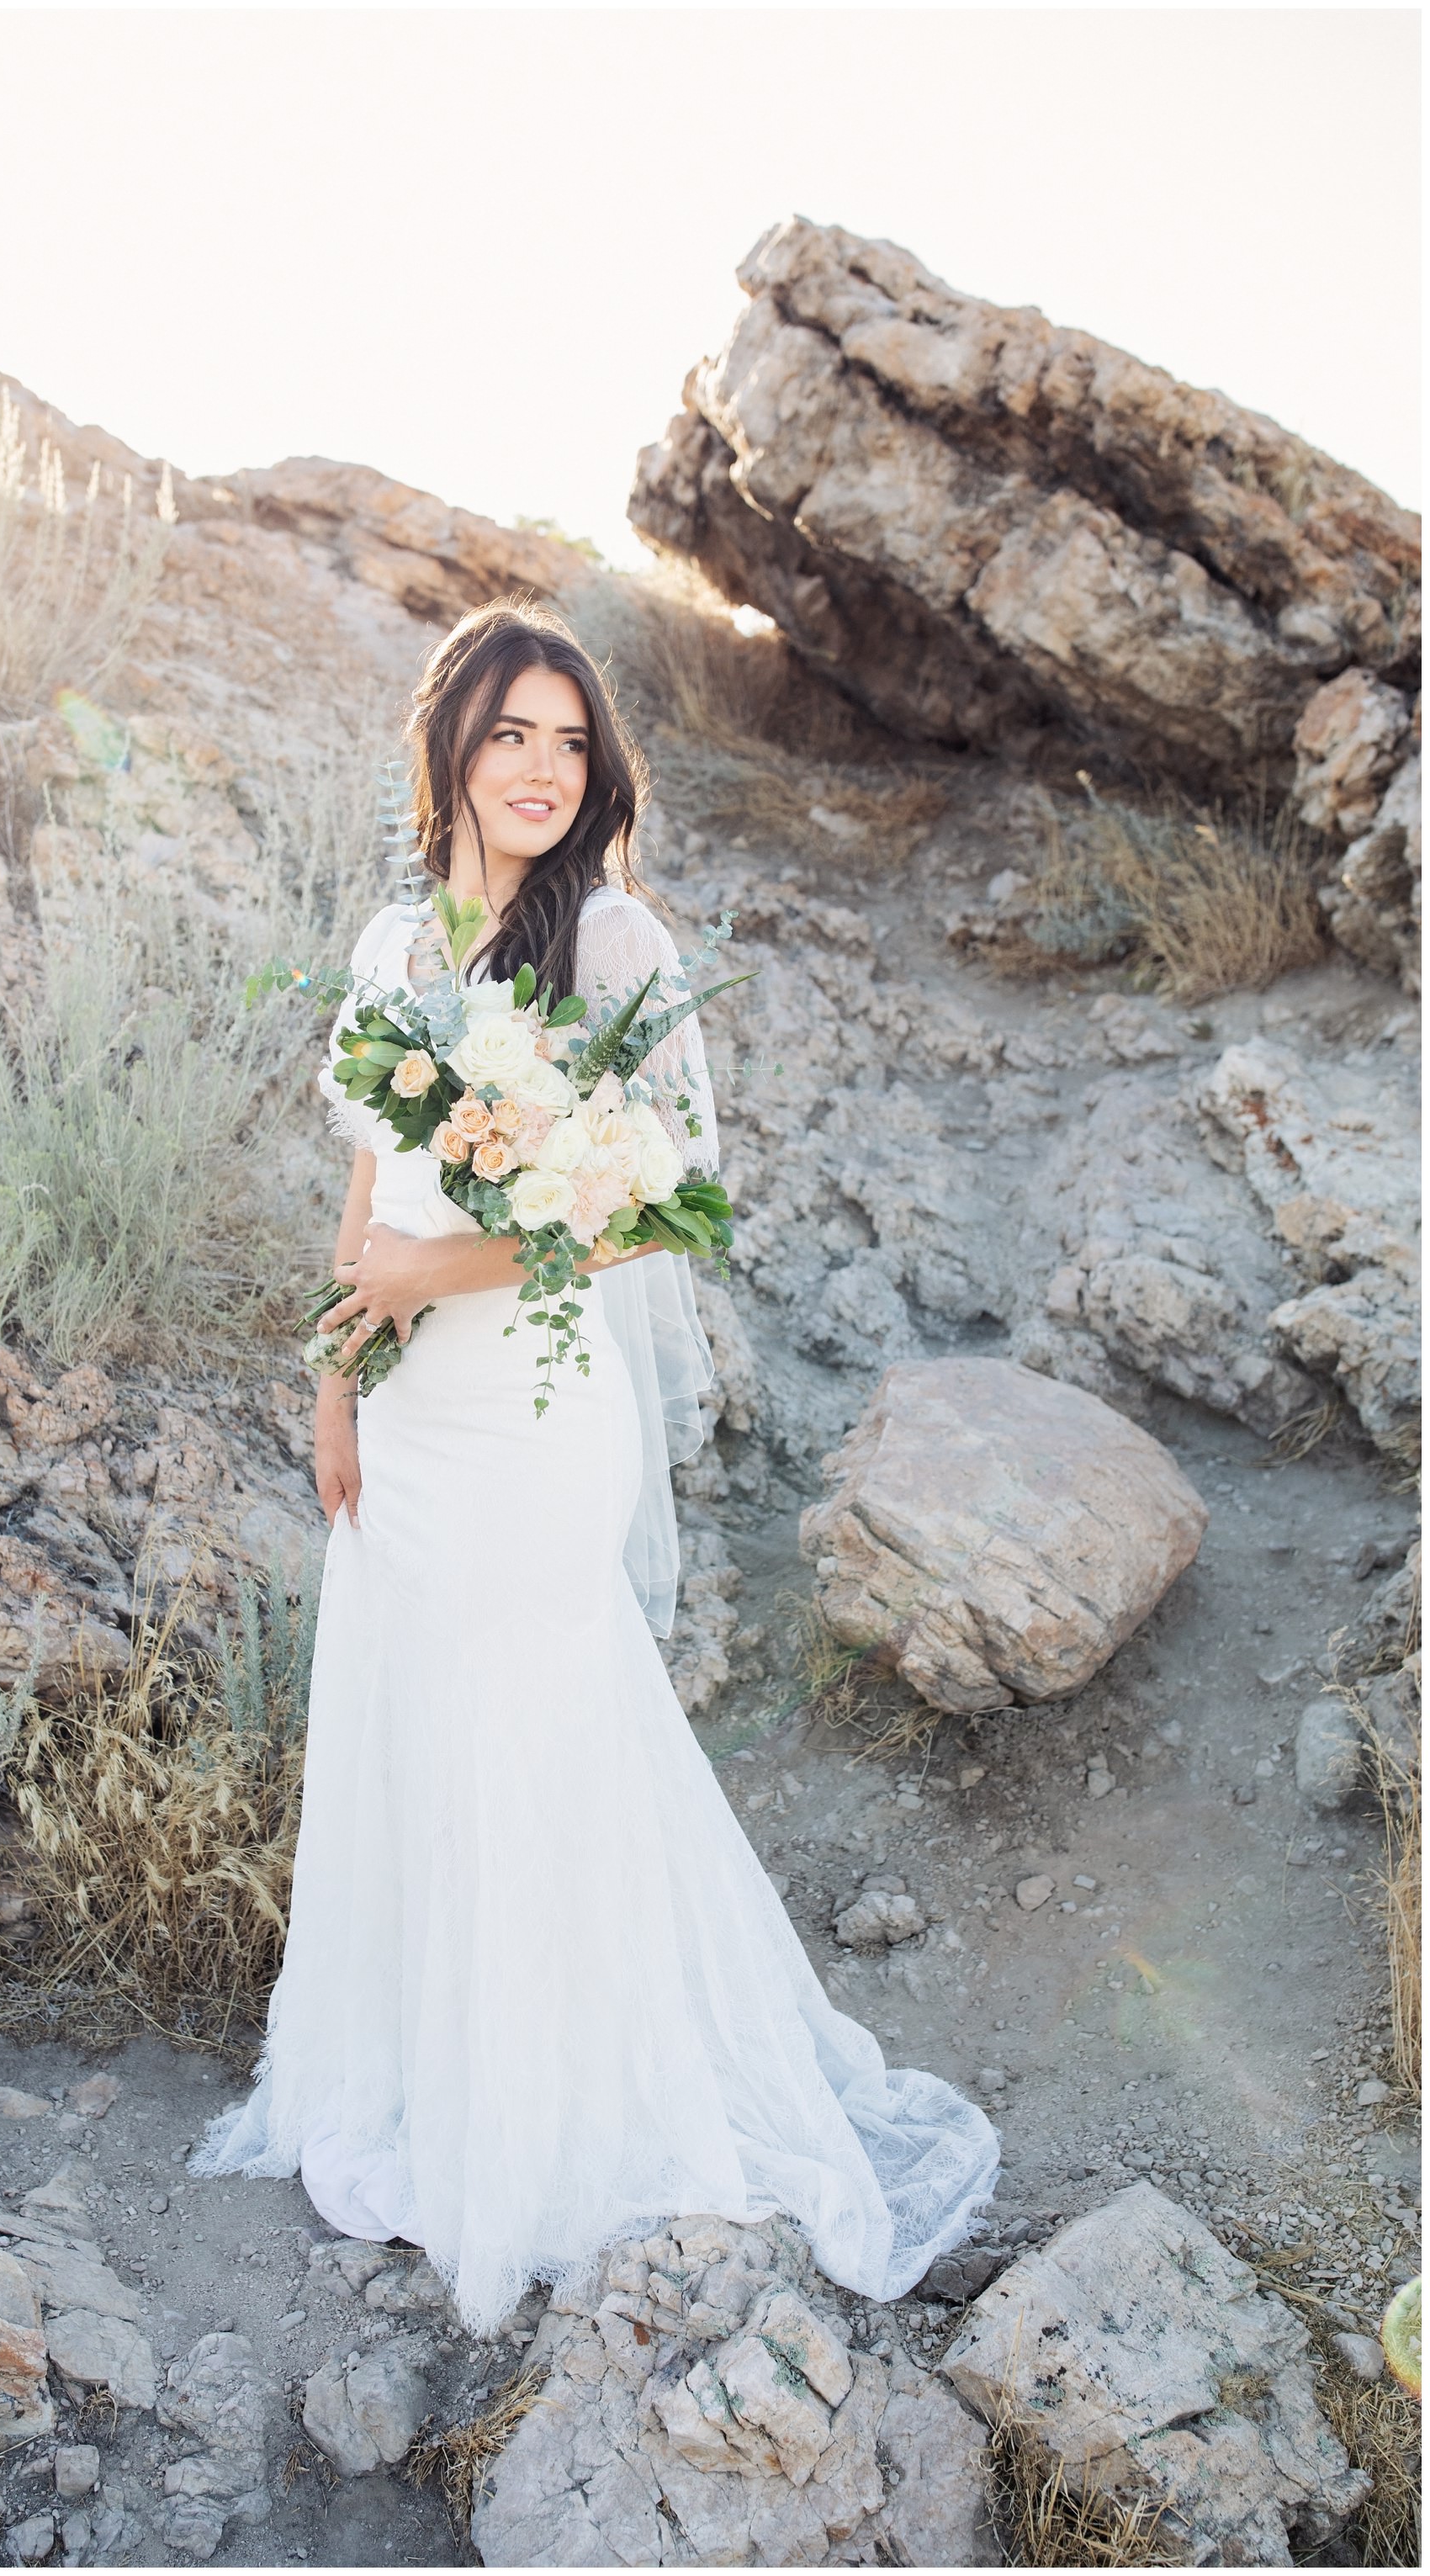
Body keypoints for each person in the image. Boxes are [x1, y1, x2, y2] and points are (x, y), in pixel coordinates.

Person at [191, 600, 998, 2335]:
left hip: (538, 1419)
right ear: (451, 752)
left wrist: (433, 1279)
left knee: (537, 1726)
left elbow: (662, 1210)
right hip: (406, 1414)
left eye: (568, 738)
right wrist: (338, 1369)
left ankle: (567, 2115)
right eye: (509, 734)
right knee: (420, 1727)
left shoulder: (616, 941)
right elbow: (370, 1185)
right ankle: (438, 2074)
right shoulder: (396, 940)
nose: (542, 768)